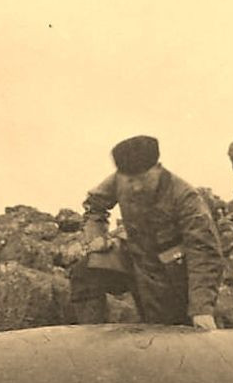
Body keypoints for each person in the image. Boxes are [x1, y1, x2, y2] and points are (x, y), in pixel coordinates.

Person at [69, 135, 224, 328]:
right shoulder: (119, 180)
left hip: (171, 273)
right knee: (87, 270)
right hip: (134, 258)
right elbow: (94, 206)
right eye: (130, 180)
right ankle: (90, 336)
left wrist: (202, 309)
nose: (136, 187)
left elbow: (204, 254)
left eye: (142, 179)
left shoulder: (186, 197)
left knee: (169, 331)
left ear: (157, 168)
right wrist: (97, 235)